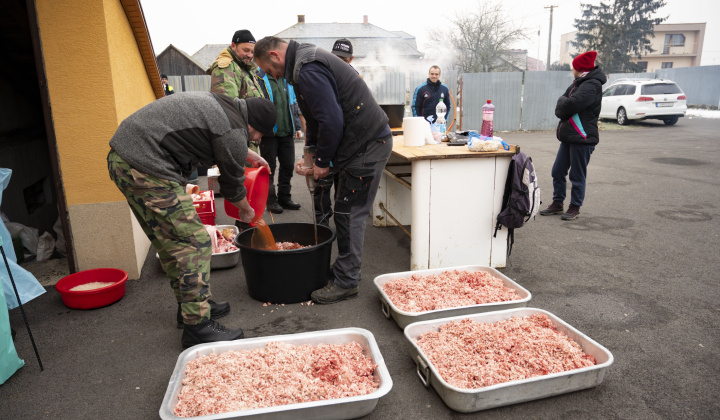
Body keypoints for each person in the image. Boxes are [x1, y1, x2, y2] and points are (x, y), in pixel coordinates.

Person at [107, 92, 276, 348]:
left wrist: (248, 154)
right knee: (194, 242)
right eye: (260, 135)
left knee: (171, 243)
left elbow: (217, 138)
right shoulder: (232, 129)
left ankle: (191, 308)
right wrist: (246, 211)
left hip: (127, 158)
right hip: (144, 166)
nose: (258, 140)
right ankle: (198, 327)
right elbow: (232, 186)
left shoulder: (228, 108)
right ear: (253, 125)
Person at [254, 37, 393, 304]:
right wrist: (310, 152)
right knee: (344, 209)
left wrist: (321, 163)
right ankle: (345, 269)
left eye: (271, 71)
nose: (274, 76)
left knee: (349, 212)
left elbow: (331, 119)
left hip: (367, 143)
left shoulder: (307, 68)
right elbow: (316, 118)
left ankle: (347, 281)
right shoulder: (301, 65)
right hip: (359, 143)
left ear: (274, 55)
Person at [540, 50, 606, 220]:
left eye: (574, 67)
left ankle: (574, 206)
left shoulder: (591, 85)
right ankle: (558, 203)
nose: (572, 69)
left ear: (580, 68)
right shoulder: (579, 83)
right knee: (558, 171)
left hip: (582, 137)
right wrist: (563, 104)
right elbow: (563, 103)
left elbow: (570, 105)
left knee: (577, 175)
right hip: (570, 136)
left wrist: (563, 104)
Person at [312, 38, 358, 225]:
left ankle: (343, 226)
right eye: (337, 58)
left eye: (344, 59)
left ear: (351, 59)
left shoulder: (356, 79)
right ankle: (322, 225)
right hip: (325, 141)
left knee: (343, 189)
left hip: (347, 144)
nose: (340, 62)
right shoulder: (320, 77)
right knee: (322, 187)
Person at [256, 68, 304, 213]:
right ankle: (271, 201)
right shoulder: (259, 78)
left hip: (287, 131)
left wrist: (297, 127)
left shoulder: (287, 79)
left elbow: (293, 103)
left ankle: (285, 198)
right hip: (269, 133)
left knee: (288, 166)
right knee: (269, 168)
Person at [207, 30, 264, 101]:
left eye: (252, 52)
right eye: (246, 50)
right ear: (233, 46)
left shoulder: (246, 66)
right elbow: (227, 104)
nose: (250, 55)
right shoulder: (225, 67)